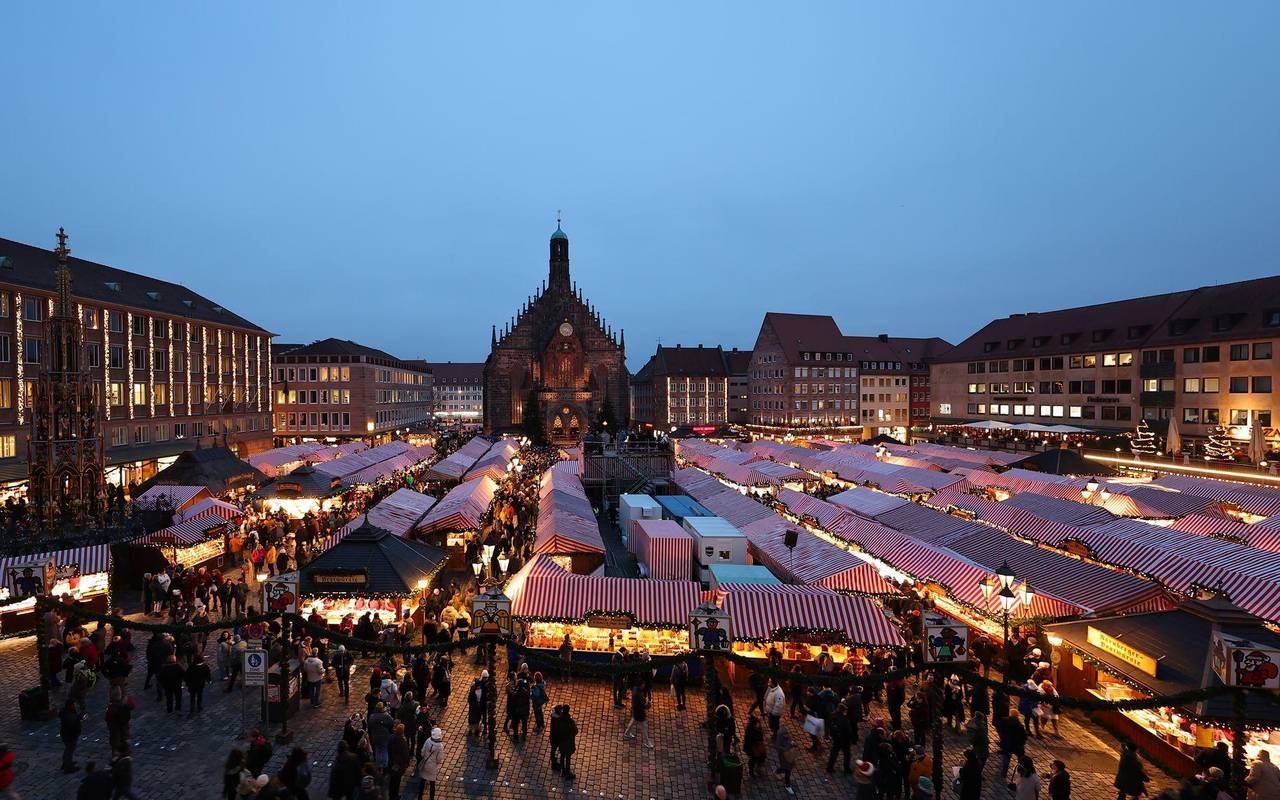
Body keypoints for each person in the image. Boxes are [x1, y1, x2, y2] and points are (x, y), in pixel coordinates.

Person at [996, 708, 1028, 784]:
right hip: (1017, 745)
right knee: (1020, 760)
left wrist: (1002, 737)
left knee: (1006, 760)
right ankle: (1021, 773)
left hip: (1007, 744)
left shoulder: (1004, 721)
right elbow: (1024, 736)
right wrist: (1022, 742)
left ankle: (1003, 774)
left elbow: (999, 728)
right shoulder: (1019, 725)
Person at [417, 727, 444, 800]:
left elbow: (422, 752)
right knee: (432, 784)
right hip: (432, 767)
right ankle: (431, 798)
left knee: (422, 782)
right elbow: (439, 759)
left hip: (425, 764)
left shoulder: (428, 740)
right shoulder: (440, 746)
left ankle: (420, 797)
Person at [827, 701, 854, 774]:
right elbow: (848, 732)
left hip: (836, 738)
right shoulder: (845, 720)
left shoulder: (832, 715)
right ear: (843, 710)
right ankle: (847, 769)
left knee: (834, 753)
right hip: (844, 740)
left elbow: (829, 725)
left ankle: (830, 767)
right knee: (847, 754)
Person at [623, 684, 653, 748]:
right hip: (640, 713)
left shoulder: (635, 689)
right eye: (642, 684)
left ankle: (626, 733)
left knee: (632, 721)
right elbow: (642, 706)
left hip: (636, 711)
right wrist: (648, 705)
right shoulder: (639, 696)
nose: (643, 685)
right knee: (644, 727)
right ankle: (647, 742)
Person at [387, 723, 411, 800]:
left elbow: (388, 748)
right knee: (397, 781)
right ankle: (395, 796)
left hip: (391, 762)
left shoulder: (391, 737)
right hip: (399, 764)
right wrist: (407, 762)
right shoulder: (402, 741)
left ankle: (391, 795)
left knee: (392, 780)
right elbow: (405, 754)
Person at [59, 698, 83, 772]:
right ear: (70, 706)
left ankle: (66, 763)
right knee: (69, 750)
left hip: (66, 734)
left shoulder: (65, 713)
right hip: (70, 736)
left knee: (68, 749)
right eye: (74, 705)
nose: (75, 706)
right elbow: (74, 726)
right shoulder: (70, 716)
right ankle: (68, 767)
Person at [368, 702, 395, 768]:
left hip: (375, 736)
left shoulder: (372, 716)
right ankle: (385, 766)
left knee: (377, 750)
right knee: (384, 750)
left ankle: (378, 765)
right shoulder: (386, 715)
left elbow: (369, 725)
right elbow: (392, 722)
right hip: (384, 736)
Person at [773, 724, 797, 796]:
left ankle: (777, 771)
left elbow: (790, 741)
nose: (788, 734)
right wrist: (787, 747)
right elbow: (778, 747)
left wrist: (793, 744)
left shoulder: (787, 737)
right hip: (783, 757)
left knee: (785, 768)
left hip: (789, 756)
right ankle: (787, 785)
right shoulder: (780, 739)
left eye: (788, 733)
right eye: (786, 733)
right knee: (787, 771)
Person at [560, 705, 579, 780]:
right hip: (568, 742)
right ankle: (567, 773)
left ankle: (563, 770)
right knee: (568, 757)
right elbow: (575, 731)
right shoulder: (570, 721)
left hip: (561, 740)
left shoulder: (559, 719)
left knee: (562, 755)